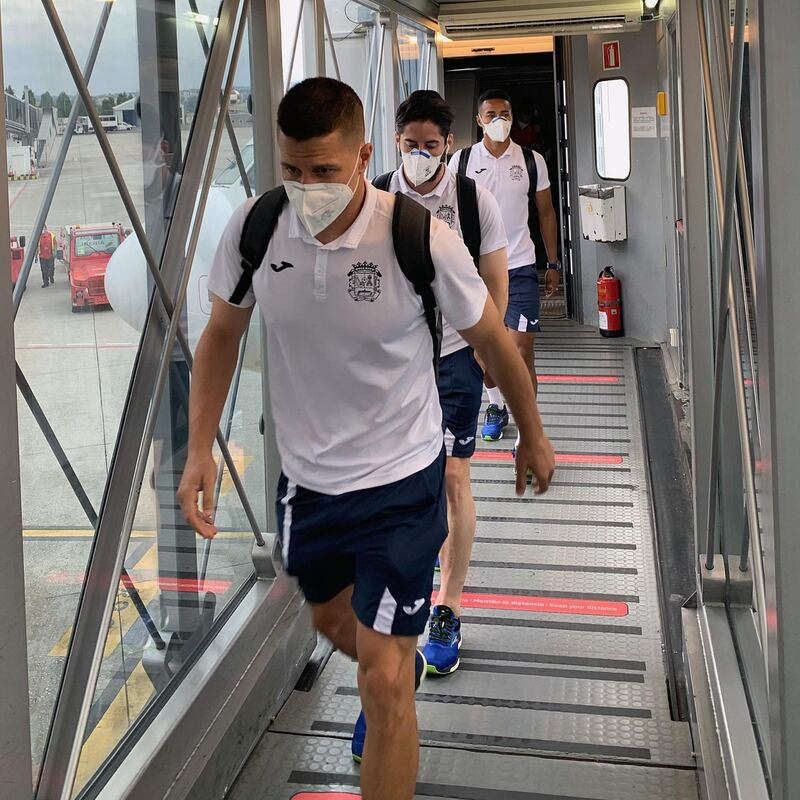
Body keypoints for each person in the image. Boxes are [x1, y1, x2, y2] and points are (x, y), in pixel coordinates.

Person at [178, 77, 555, 800]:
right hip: (311, 484)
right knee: (330, 617)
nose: (306, 186)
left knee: (381, 684)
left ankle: (395, 673)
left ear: (362, 158)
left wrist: (531, 433)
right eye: (292, 169)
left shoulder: (417, 237)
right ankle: (396, 648)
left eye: (323, 170)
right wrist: (200, 446)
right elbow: (222, 333)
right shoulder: (257, 231)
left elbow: (493, 340)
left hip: (403, 481)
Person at [379, 90, 508, 677]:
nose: (421, 157)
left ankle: (446, 608)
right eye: (411, 146)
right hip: (396, 360)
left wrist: (489, 354)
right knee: (400, 479)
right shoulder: (378, 197)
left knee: (454, 475)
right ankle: (395, 601)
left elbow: (495, 283)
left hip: (457, 355)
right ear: (396, 144)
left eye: (432, 146)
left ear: (449, 145)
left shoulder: (473, 200)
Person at [449, 89, 561, 449]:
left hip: (521, 267)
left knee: (519, 351)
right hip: (476, 271)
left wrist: (553, 262)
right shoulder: (461, 161)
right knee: (483, 354)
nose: (499, 120)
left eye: (505, 113)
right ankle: (496, 407)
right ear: (478, 120)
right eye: (491, 114)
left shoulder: (531, 160)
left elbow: (545, 212)